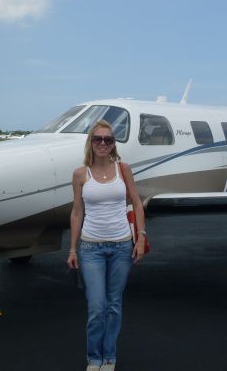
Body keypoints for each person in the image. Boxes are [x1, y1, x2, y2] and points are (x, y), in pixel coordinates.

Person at [67, 119, 147, 371]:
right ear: (91, 142)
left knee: (114, 305)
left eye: (108, 140)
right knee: (97, 307)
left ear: (113, 145)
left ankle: (109, 357)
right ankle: (94, 358)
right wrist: (72, 248)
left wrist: (141, 237)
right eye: (98, 139)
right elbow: (77, 212)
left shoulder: (123, 169)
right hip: (91, 249)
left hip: (122, 246)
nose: (103, 143)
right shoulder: (81, 174)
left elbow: (136, 202)